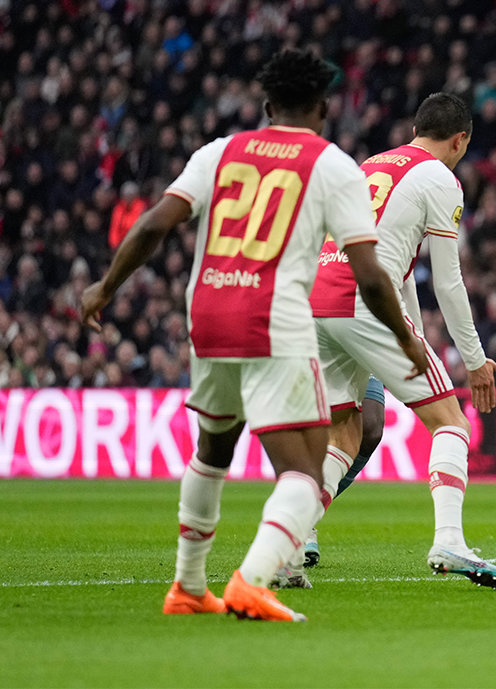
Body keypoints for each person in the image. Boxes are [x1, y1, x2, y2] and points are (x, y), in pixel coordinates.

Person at [79, 49, 427, 622]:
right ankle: (252, 581)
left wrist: (105, 287)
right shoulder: (332, 165)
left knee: (213, 450)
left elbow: (154, 223)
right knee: (307, 473)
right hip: (274, 323)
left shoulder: (219, 152)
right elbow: (368, 273)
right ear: (323, 108)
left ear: (267, 107)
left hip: (209, 314)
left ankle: (189, 586)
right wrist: (405, 339)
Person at [306, 92, 496, 588]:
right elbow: (448, 282)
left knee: (344, 434)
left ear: (416, 129)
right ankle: (449, 541)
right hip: (363, 303)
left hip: (317, 301)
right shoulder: (440, 178)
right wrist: (475, 360)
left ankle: (291, 545)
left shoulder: (371, 165)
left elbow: (399, 268)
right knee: (451, 423)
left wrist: (415, 340)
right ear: (460, 141)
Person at [302, 374, 385, 567]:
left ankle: (303, 516)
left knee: (370, 430)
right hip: (313, 358)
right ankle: (298, 523)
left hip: (365, 358)